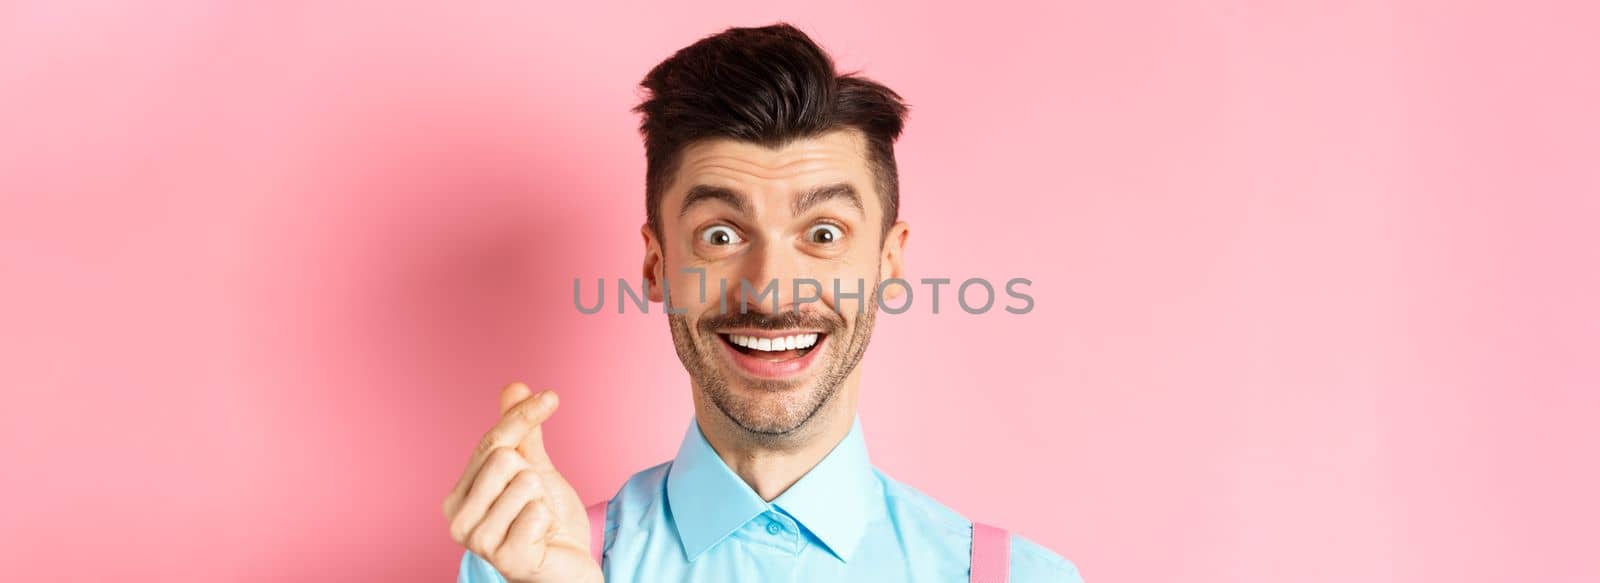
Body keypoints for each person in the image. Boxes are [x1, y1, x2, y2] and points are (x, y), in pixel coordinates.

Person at [442, 23, 1083, 583]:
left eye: (823, 235)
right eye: (721, 235)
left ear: (888, 263)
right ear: (657, 264)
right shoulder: (525, 567)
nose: (772, 289)